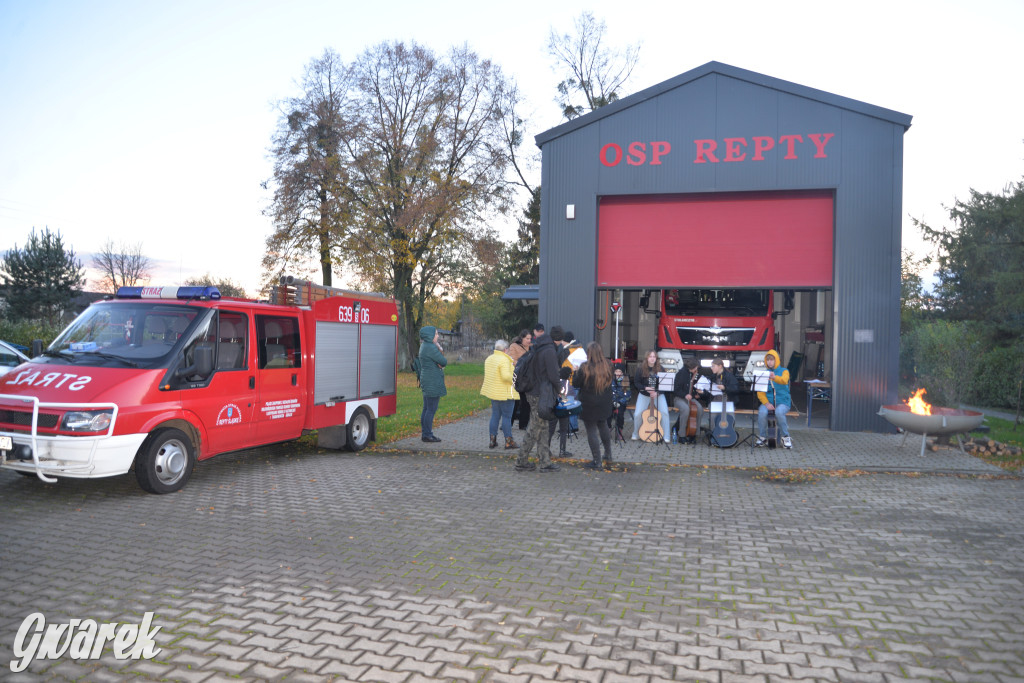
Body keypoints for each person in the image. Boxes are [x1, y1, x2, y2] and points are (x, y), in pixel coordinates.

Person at [515, 323, 562, 472]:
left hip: (534, 392)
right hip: (539, 394)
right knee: (535, 428)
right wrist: (560, 389)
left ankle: (545, 462)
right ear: (558, 339)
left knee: (543, 427)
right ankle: (521, 460)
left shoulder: (540, 346)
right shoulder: (549, 351)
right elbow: (554, 375)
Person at [572, 342, 614, 469]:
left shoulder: (584, 367)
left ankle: (597, 461)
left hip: (588, 402)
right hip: (604, 401)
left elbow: (576, 384)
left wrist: (575, 371)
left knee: (591, 430)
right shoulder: (609, 364)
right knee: (603, 425)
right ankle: (608, 454)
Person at [480, 339, 519, 450]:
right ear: (506, 349)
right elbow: (506, 376)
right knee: (507, 417)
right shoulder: (505, 360)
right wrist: (516, 379)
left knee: (495, 416)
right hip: (506, 393)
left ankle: (492, 440)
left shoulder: (489, 359)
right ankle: (508, 441)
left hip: (494, 392)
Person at [755, 349, 793, 449]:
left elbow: (784, 381)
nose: (769, 362)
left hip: (783, 402)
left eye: (772, 360)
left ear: (777, 360)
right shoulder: (763, 373)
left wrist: (774, 377)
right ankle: (763, 436)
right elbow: (760, 392)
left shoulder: (785, 371)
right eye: (768, 360)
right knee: (762, 412)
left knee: (779, 412)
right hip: (769, 402)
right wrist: (766, 403)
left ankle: (785, 437)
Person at [631, 350, 671, 443]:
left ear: (656, 358)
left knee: (664, 412)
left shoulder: (661, 368)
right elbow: (636, 383)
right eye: (650, 356)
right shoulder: (640, 369)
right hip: (644, 394)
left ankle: (666, 435)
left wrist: (658, 392)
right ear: (647, 358)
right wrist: (645, 388)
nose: (652, 358)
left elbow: (665, 385)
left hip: (658, 395)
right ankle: (636, 434)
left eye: (654, 357)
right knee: (637, 414)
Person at [546, 326, 573, 457]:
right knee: (563, 427)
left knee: (551, 427)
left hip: (554, 399)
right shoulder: (565, 382)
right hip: (562, 400)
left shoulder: (555, 353)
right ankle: (562, 451)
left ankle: (547, 449)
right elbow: (564, 391)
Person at [417, 325, 447, 443]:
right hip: (432, 381)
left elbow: (439, 362)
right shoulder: (430, 347)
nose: (438, 336)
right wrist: (439, 351)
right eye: (436, 334)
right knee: (431, 409)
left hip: (427, 379)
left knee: (426, 408)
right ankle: (427, 435)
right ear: (430, 335)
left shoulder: (425, 346)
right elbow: (443, 361)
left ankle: (425, 433)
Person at [672, 359, 707, 444]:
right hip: (679, 398)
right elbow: (676, 390)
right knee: (685, 409)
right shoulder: (681, 374)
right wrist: (685, 395)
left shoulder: (694, 374)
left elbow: (694, 388)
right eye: (696, 368)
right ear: (692, 367)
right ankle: (682, 435)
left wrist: (697, 393)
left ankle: (694, 434)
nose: (696, 370)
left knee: (699, 409)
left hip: (691, 398)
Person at [507, 329, 532, 430]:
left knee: (526, 402)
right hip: (517, 377)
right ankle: (509, 423)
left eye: (530, 338)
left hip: (527, 377)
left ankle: (523, 424)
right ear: (522, 338)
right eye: (527, 338)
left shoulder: (531, 347)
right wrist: (525, 364)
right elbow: (511, 360)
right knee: (515, 401)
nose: (529, 341)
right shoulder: (514, 346)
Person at [608, 362, 632, 440]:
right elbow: (607, 393)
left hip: (621, 402)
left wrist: (620, 402)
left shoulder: (625, 380)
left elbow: (628, 395)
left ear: (622, 373)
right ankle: (607, 429)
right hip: (612, 401)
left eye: (619, 372)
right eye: (616, 371)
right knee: (607, 413)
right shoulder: (610, 380)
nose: (618, 373)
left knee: (620, 414)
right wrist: (613, 401)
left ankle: (619, 431)